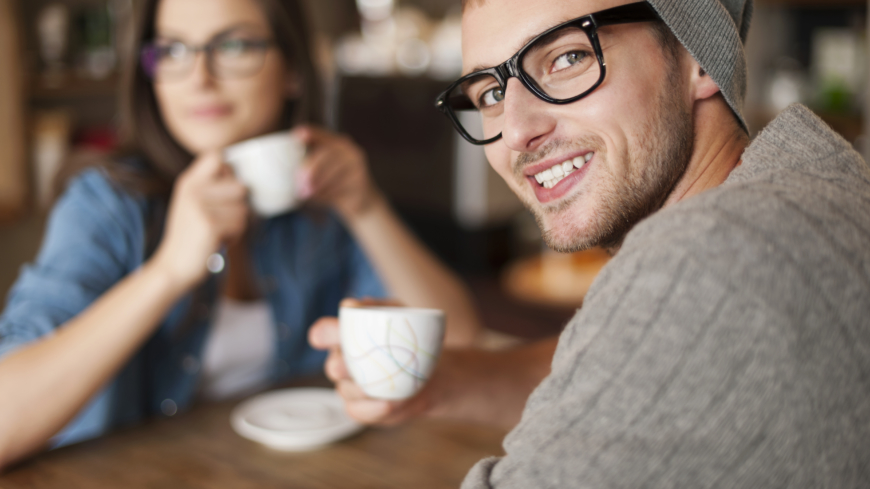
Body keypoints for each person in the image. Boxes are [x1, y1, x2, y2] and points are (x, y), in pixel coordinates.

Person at [310, 0, 870, 486]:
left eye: (566, 58)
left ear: (697, 54)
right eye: (489, 94)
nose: (517, 130)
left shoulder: (709, 255)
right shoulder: (805, 188)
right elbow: (638, 366)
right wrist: (449, 381)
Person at [0, 0, 483, 469]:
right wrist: (169, 270)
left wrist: (365, 207)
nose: (199, 77)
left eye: (232, 47)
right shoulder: (106, 204)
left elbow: (460, 342)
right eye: (172, 50)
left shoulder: (314, 202)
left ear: (293, 68)